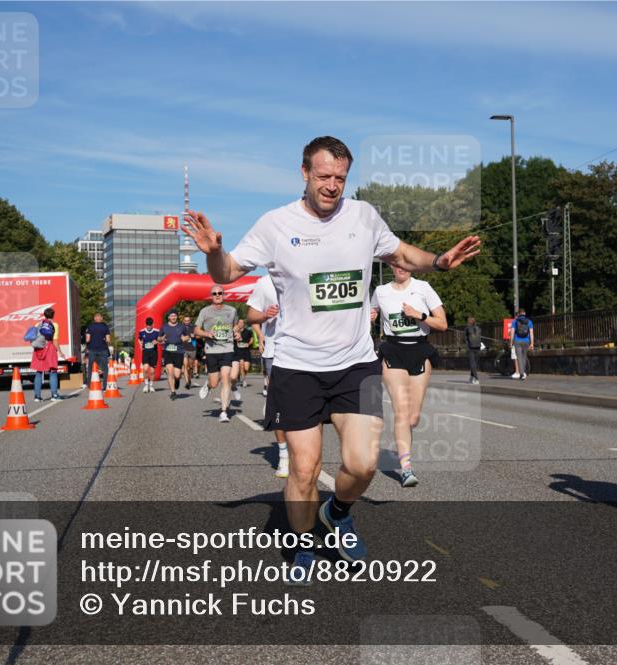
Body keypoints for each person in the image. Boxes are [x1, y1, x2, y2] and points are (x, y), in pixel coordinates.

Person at [182, 135, 480, 580]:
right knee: (304, 467)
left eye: (340, 177)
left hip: (356, 363)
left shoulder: (363, 216)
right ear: (304, 173)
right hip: (298, 366)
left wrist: (438, 260)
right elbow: (227, 272)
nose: (332, 185)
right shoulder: (275, 225)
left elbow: (399, 253)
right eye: (323, 176)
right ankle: (302, 544)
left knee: (362, 464)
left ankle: (337, 512)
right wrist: (212, 254)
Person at [371, 266, 446, 487]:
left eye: (405, 265)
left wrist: (419, 315)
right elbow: (371, 313)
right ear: (392, 266)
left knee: (412, 418)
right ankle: (406, 469)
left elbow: (442, 323)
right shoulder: (381, 291)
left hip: (420, 351)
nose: (401, 268)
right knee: (401, 412)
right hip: (393, 350)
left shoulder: (423, 288)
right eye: (396, 264)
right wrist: (371, 316)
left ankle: (405, 454)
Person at [247, 273, 288, 478]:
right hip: (275, 351)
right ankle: (284, 455)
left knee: (302, 406)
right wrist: (264, 316)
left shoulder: (306, 272)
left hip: (306, 352)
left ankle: (303, 453)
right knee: (280, 405)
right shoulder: (264, 283)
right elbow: (251, 316)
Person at [193, 285, 238, 422]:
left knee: (226, 377)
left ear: (224, 295)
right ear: (211, 296)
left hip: (227, 349)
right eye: (214, 293)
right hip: (212, 350)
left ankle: (223, 412)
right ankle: (208, 385)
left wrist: (235, 332)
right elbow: (196, 330)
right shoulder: (205, 312)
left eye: (220, 293)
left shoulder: (232, 310)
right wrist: (206, 333)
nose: (217, 295)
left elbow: (236, 325)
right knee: (214, 383)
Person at [30, 307, 64, 401]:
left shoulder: (38, 324)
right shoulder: (54, 324)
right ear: (53, 315)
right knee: (53, 371)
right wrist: (60, 352)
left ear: (44, 314)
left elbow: (35, 337)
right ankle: (54, 395)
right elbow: (55, 340)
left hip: (39, 349)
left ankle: (37, 396)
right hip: (50, 348)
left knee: (39, 371)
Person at [161, 310, 190, 400]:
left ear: (177, 317)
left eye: (175, 316)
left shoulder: (181, 327)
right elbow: (158, 337)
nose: (173, 317)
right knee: (170, 372)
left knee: (177, 375)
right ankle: (173, 392)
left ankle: (177, 380)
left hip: (179, 352)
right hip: (167, 351)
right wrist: (161, 338)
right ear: (168, 317)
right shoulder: (164, 327)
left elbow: (187, 336)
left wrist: (184, 338)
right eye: (171, 316)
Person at [85, 312, 111, 387]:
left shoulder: (90, 327)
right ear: (101, 318)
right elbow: (108, 340)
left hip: (92, 350)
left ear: (94, 318)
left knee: (90, 367)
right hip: (103, 349)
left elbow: (87, 339)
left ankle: (90, 385)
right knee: (105, 368)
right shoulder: (105, 327)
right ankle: (105, 386)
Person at [138, 317, 161, 393]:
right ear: (145, 324)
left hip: (154, 353)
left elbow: (162, 340)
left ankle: (151, 386)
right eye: (148, 325)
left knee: (152, 371)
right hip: (146, 353)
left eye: (150, 325)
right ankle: (146, 385)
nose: (149, 326)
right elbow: (139, 339)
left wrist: (157, 341)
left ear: (152, 324)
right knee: (145, 368)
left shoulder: (157, 331)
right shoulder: (142, 332)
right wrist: (140, 344)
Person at [509, 309, 534, 380]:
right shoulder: (529, 322)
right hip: (526, 341)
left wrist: (511, 342)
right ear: (524, 313)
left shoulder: (514, 321)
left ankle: (522, 373)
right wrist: (532, 343)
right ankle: (523, 373)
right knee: (524, 357)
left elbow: (512, 333)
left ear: (519, 314)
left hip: (517, 341)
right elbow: (531, 333)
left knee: (519, 358)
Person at [233, 318, 254, 390]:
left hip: (246, 350)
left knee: (246, 368)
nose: (241, 324)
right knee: (241, 364)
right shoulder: (235, 331)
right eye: (240, 323)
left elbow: (252, 339)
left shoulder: (248, 331)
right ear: (238, 324)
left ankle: (241, 376)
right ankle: (244, 380)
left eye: (242, 323)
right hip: (238, 350)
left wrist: (248, 343)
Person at [464, 316, 483, 384]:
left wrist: (467, 346)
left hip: (470, 347)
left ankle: (476, 378)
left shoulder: (467, 329)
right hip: (478, 347)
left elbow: (465, 338)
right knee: (475, 363)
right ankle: (472, 377)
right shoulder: (479, 328)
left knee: (472, 363)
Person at [181, 315, 198, 389]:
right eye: (185, 320)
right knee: (185, 365)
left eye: (188, 320)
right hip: (184, 348)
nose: (187, 322)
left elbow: (200, 335)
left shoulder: (194, 327)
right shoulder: (180, 327)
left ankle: (190, 379)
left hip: (192, 349)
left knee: (190, 367)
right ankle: (187, 382)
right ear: (183, 321)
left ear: (190, 321)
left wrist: (194, 335)